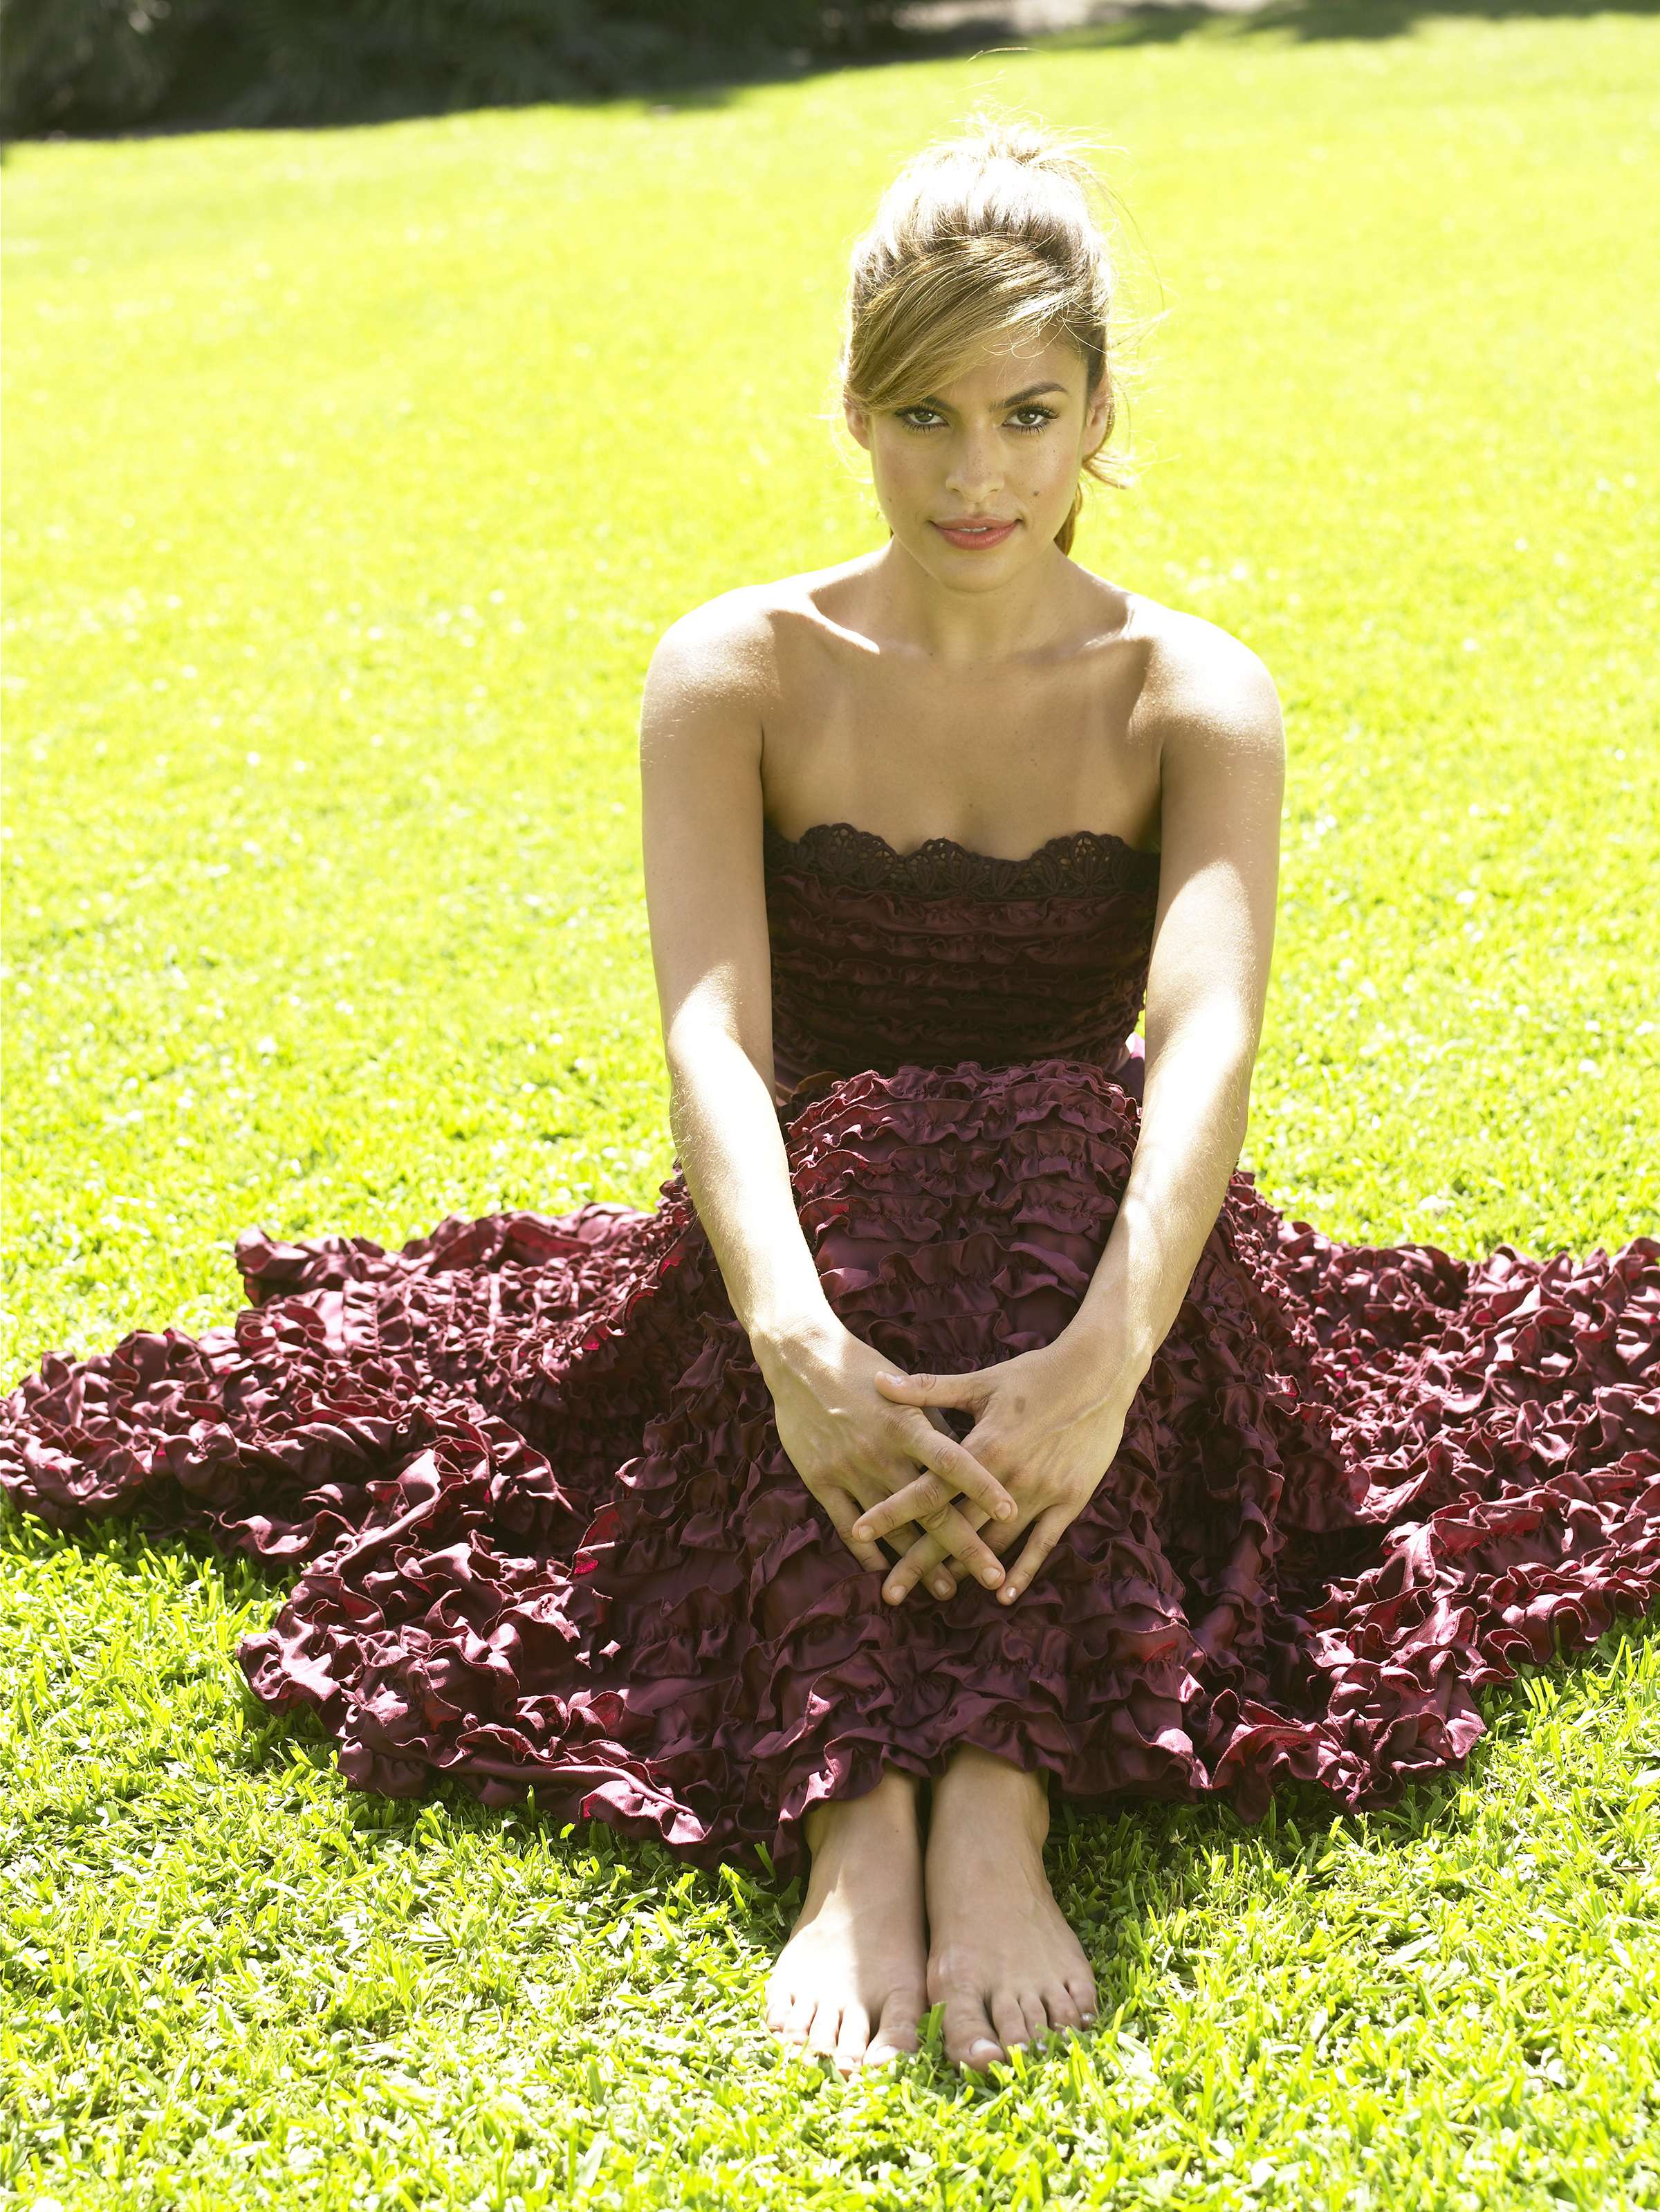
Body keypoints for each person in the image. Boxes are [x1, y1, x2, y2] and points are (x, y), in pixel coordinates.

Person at [3, 118, 1656, 2084]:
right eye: (925, 414)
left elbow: (1204, 1045)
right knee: (873, 1177)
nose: (978, 476)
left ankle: (997, 1801)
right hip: (805, 1229)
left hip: (1101, 1239)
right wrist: (792, 1340)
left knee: (1055, 1141)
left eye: (1028, 415)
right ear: (855, 410)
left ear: (1101, 412)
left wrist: (1103, 1363)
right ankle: (858, 1813)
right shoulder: (736, 669)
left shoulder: (1193, 692)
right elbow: (714, 1036)